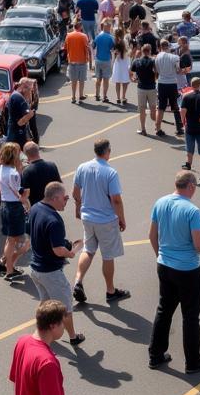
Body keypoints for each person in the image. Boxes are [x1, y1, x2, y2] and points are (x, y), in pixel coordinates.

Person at [148, 171, 200, 373]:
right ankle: (193, 361)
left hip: (164, 265)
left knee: (164, 310)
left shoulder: (160, 203)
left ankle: (155, 355)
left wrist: (161, 256)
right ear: (191, 186)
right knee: (190, 316)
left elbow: (152, 235)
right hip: (187, 270)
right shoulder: (192, 211)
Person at [72, 138, 129, 304]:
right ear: (107, 151)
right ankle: (110, 291)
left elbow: (76, 193)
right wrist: (122, 219)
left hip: (87, 218)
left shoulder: (82, 167)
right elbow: (116, 200)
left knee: (88, 250)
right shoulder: (110, 172)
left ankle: (78, 281)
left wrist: (78, 207)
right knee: (108, 256)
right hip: (105, 220)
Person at [28, 184, 85, 345]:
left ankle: (41, 332)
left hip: (35, 268)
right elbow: (58, 250)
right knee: (64, 307)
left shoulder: (35, 208)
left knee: (45, 304)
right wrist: (72, 252)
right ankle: (73, 337)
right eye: (64, 198)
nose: (66, 201)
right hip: (50, 272)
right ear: (54, 198)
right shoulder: (54, 220)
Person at [0, 142, 30, 281]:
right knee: (12, 241)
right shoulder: (13, 173)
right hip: (14, 208)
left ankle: (6, 264)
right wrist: (27, 201)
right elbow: (20, 192)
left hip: (4, 205)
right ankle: (9, 270)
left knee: (10, 239)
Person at [180, 75, 200, 181]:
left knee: (190, 148)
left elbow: (183, 111)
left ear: (191, 85)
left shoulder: (186, 97)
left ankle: (188, 164)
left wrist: (182, 122)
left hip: (190, 127)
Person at [153, 39, 183, 136]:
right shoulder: (175, 57)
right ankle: (179, 128)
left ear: (160, 47)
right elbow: (178, 70)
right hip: (172, 83)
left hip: (161, 83)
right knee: (175, 106)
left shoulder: (157, 57)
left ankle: (158, 128)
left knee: (161, 107)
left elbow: (156, 71)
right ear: (168, 46)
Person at [130, 43, 158, 136]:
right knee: (153, 108)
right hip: (151, 87)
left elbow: (131, 71)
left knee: (142, 109)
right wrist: (155, 78)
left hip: (141, 87)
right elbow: (157, 72)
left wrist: (133, 79)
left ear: (142, 51)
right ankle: (156, 126)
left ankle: (143, 129)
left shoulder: (137, 61)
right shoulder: (153, 61)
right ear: (149, 51)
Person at [21, 141, 60, 206]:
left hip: (37, 206)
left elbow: (26, 193)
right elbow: (59, 185)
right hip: (52, 203)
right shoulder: (52, 165)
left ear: (26, 155)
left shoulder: (27, 172)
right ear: (38, 151)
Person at [64, 19, 90, 104]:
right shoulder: (84, 36)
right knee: (81, 80)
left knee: (74, 81)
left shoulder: (68, 36)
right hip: (82, 61)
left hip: (72, 61)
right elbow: (86, 48)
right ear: (80, 27)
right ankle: (80, 96)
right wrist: (88, 59)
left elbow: (65, 47)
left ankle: (73, 97)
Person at [5, 77, 35, 148]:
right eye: (30, 89)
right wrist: (30, 114)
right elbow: (20, 122)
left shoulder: (16, 95)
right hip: (16, 138)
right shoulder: (19, 99)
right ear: (23, 87)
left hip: (14, 134)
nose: (30, 92)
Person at [93, 19, 115, 102]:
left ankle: (97, 94)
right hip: (106, 60)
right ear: (108, 27)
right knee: (106, 80)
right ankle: (104, 96)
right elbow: (112, 48)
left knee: (98, 79)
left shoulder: (98, 36)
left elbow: (94, 46)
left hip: (98, 59)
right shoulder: (111, 37)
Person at [110, 28, 131, 105]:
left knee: (118, 81)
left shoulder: (114, 42)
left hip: (118, 62)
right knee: (125, 80)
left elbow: (113, 52)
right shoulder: (125, 41)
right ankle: (123, 96)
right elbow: (128, 51)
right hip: (124, 62)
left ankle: (118, 97)